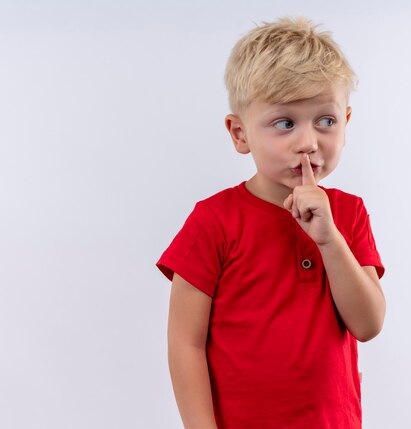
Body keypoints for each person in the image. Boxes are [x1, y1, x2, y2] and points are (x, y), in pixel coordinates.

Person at [156, 15, 386, 429]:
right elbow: (184, 343)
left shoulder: (349, 214)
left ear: (346, 124)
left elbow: (368, 324)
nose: (308, 142)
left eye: (325, 121)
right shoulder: (214, 221)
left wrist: (330, 241)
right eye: (285, 123)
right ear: (240, 134)